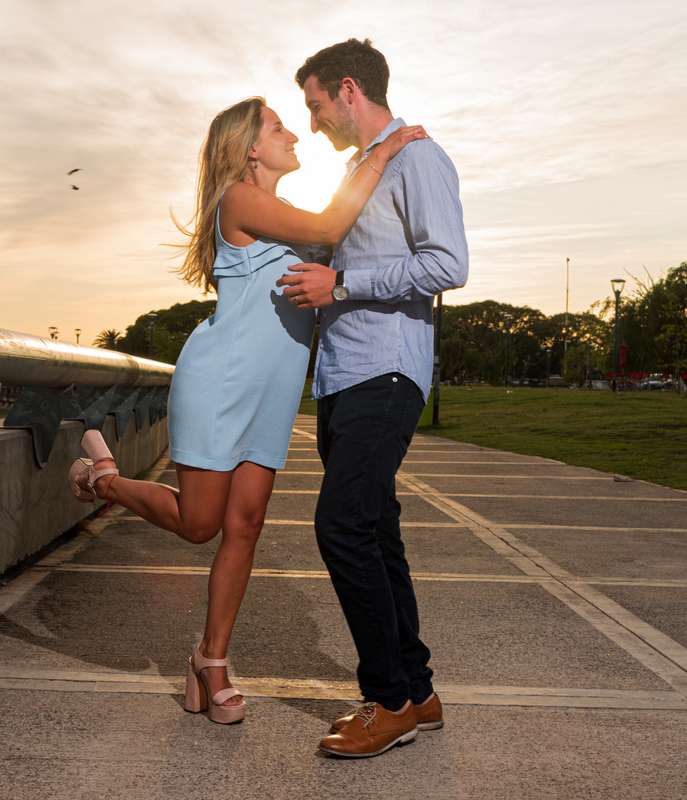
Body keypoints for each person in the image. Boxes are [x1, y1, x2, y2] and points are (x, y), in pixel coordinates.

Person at [68, 96, 427, 725]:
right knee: (200, 523)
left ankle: (212, 659)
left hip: (273, 393)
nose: (293, 134)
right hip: (220, 381)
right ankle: (105, 480)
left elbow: (335, 245)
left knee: (246, 525)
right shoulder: (237, 199)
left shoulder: (282, 211)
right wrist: (384, 151)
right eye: (277, 127)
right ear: (249, 149)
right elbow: (328, 229)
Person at [276, 38, 469, 757]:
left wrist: (344, 286)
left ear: (348, 89)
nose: (314, 120)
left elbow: (449, 263)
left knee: (341, 527)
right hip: (342, 373)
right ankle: (416, 692)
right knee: (377, 531)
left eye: (316, 103)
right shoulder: (362, 169)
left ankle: (386, 701)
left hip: (386, 373)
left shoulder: (417, 157)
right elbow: (333, 253)